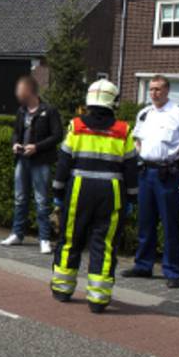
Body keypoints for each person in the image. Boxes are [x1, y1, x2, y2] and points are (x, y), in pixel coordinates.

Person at [49, 79, 139, 313]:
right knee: (105, 243)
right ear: (113, 102)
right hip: (112, 191)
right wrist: (131, 199)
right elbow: (131, 168)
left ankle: (62, 289)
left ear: (89, 101)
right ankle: (98, 299)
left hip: (79, 187)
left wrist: (58, 192)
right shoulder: (123, 130)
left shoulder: (76, 125)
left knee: (71, 239)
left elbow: (64, 161)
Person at [122, 76, 179, 288]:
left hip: (168, 174)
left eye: (158, 89)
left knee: (169, 224)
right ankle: (143, 265)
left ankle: (172, 271)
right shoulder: (144, 113)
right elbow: (137, 141)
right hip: (146, 172)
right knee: (145, 222)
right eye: (151, 89)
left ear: (167, 90)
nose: (154, 93)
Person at [1, 75, 63, 254]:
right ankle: (17, 233)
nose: (18, 96)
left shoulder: (49, 111)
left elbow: (57, 135)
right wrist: (15, 144)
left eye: (21, 92)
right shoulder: (21, 111)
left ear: (31, 91)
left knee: (42, 200)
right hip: (22, 160)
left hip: (40, 161)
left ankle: (44, 238)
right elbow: (16, 132)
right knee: (20, 198)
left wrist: (37, 147)